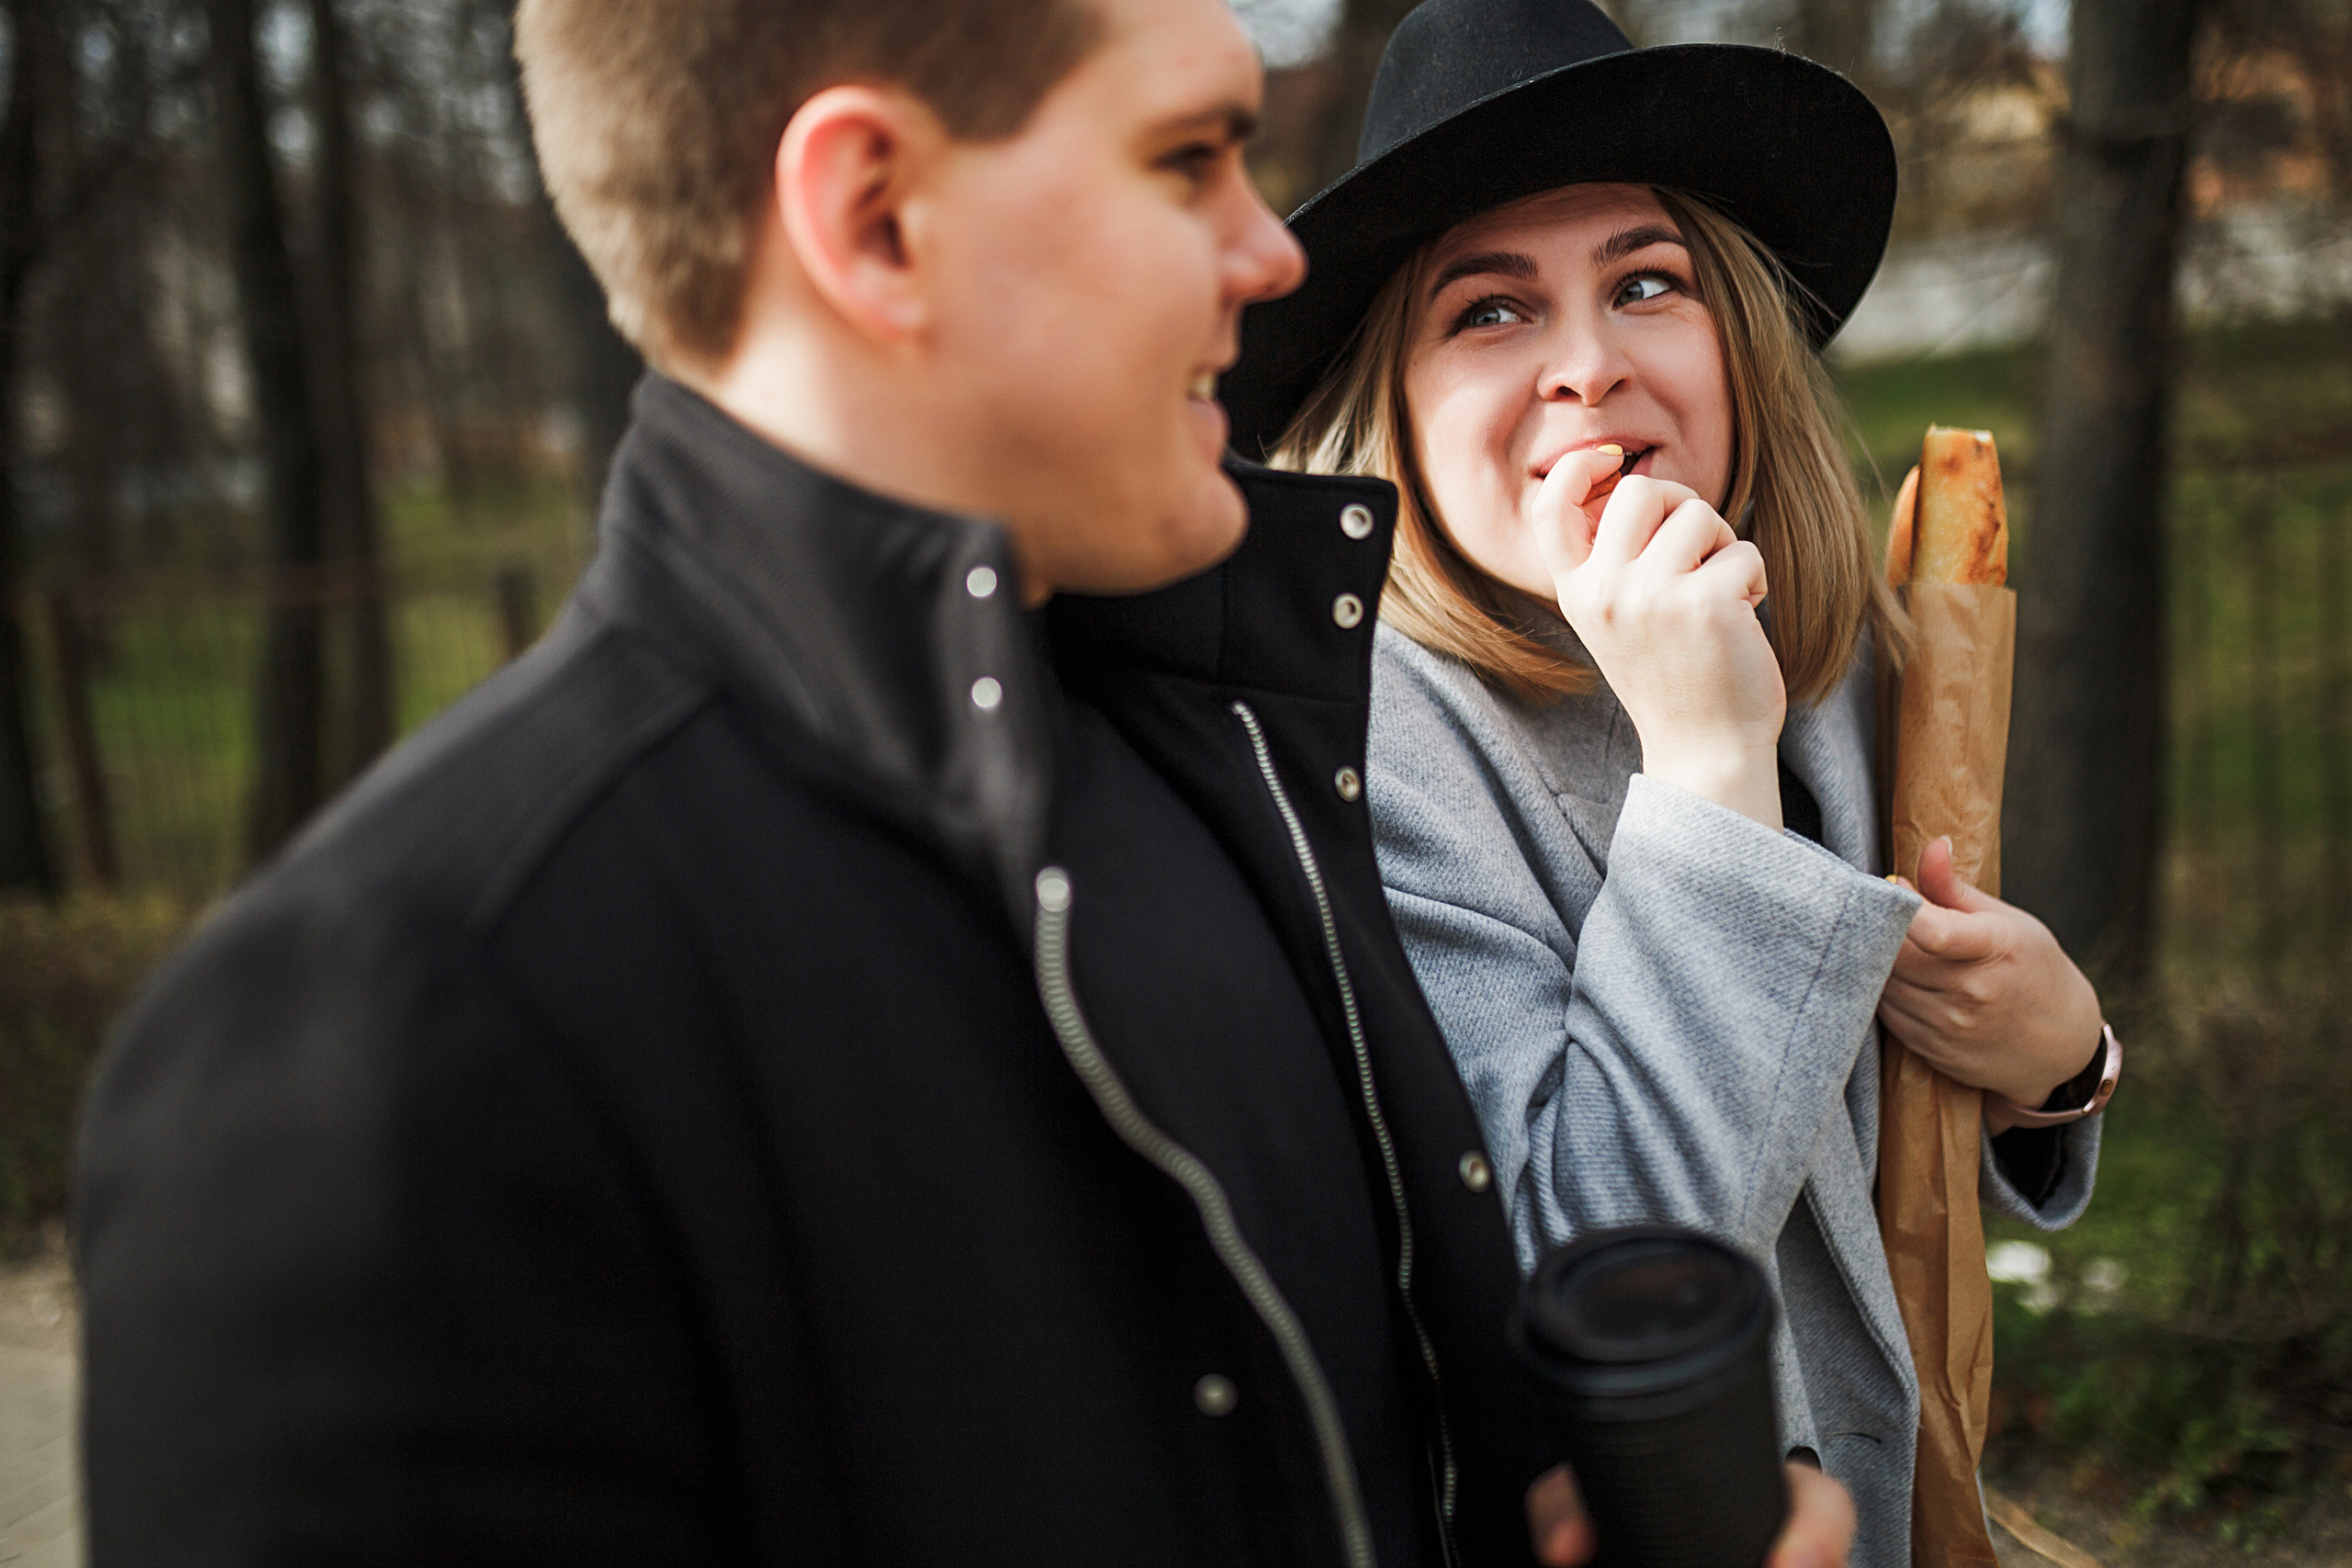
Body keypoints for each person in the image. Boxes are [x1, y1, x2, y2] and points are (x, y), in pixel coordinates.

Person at [73, 0, 1856, 1564]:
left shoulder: (1232, 756)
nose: (1273, 258)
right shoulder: (387, 1040)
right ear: (875, 218)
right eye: (1187, 158)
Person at [1223, 3, 2119, 1564]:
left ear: (1735, 343)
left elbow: (1849, 1146)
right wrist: (1704, 773)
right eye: (1489, 312)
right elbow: (1596, 1282)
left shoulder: (1841, 662)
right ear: (1392, 402)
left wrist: (2062, 1063)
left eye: (1646, 284)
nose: (1590, 368)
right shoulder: (1360, 763)